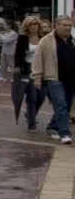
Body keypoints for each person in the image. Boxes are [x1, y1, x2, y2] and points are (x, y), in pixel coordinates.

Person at [31, 15, 74, 144]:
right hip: (54, 78)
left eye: (69, 25)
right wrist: (37, 77)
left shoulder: (72, 40)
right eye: (64, 25)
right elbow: (38, 60)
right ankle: (65, 133)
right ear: (56, 25)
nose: (67, 28)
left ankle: (52, 127)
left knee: (66, 106)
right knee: (60, 104)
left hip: (71, 79)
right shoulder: (46, 41)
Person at [15, 17, 43, 126]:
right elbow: (18, 54)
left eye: (36, 24)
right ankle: (32, 123)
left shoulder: (43, 37)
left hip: (41, 69)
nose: (34, 26)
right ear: (27, 26)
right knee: (32, 97)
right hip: (28, 68)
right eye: (31, 24)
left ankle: (30, 114)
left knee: (41, 95)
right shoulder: (23, 38)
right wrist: (19, 68)